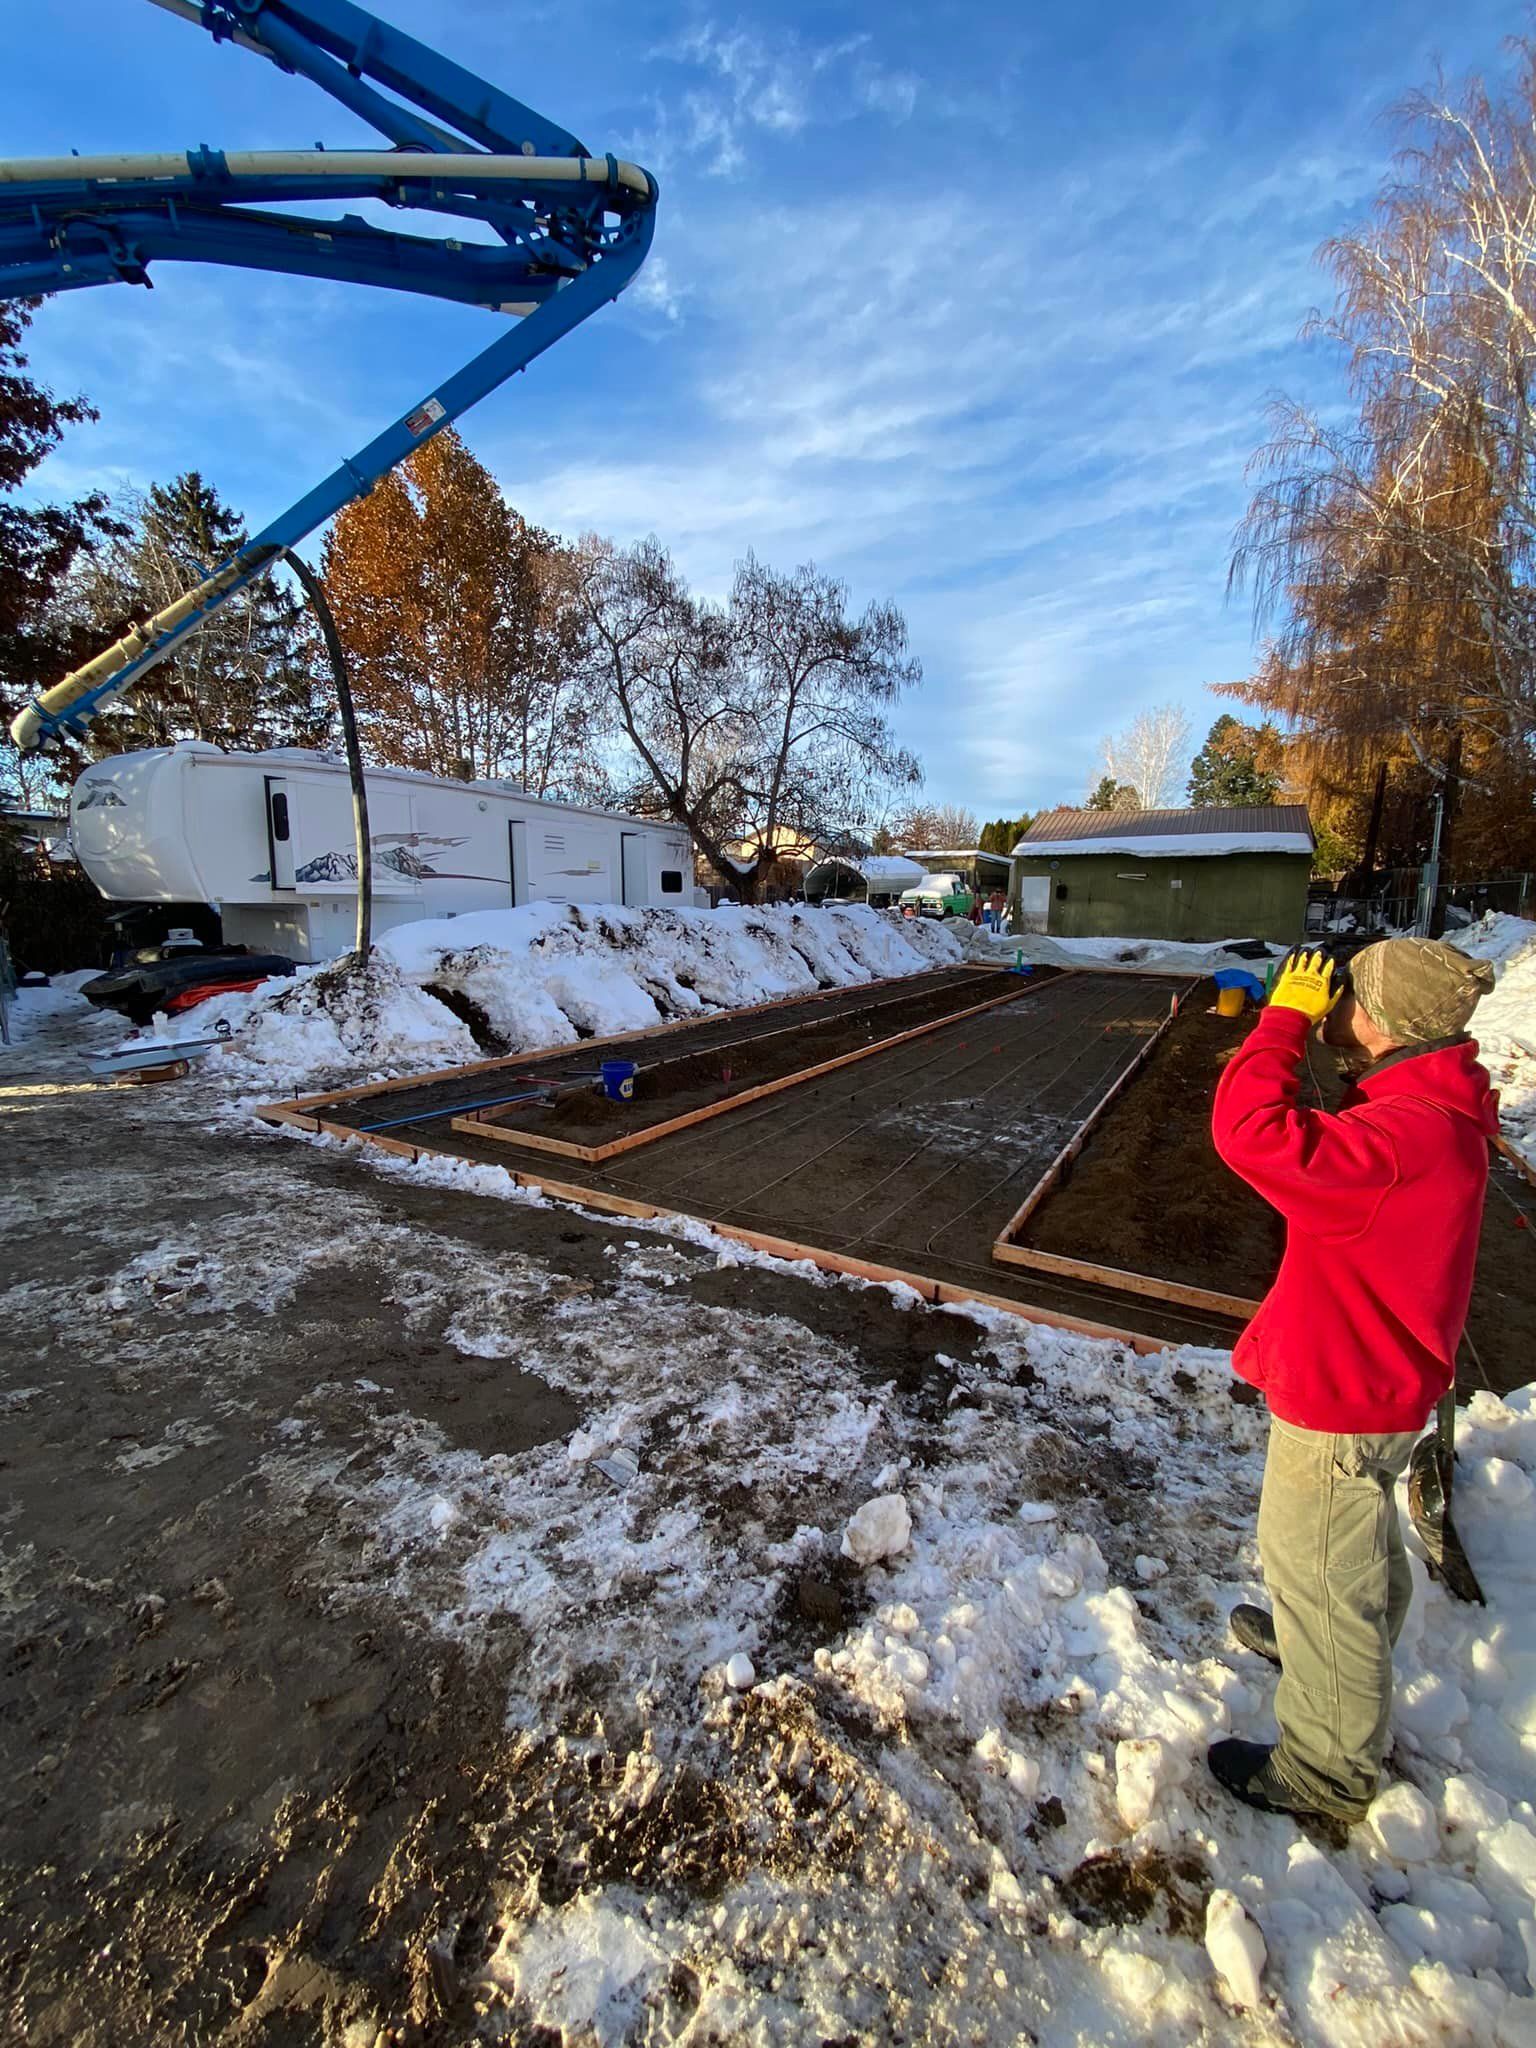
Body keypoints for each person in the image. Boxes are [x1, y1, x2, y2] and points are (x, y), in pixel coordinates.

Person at [1206, 938, 1497, 1824]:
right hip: (1373, 1373)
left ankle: (1327, 1769)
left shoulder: (1404, 1136)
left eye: (1345, 997)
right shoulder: (1433, 1108)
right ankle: (1325, 1646)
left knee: (1322, 1559)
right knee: (1345, 1547)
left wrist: (1283, 1023)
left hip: (1348, 1387)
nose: (1332, 1004)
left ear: (1380, 1021)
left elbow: (1247, 1132)